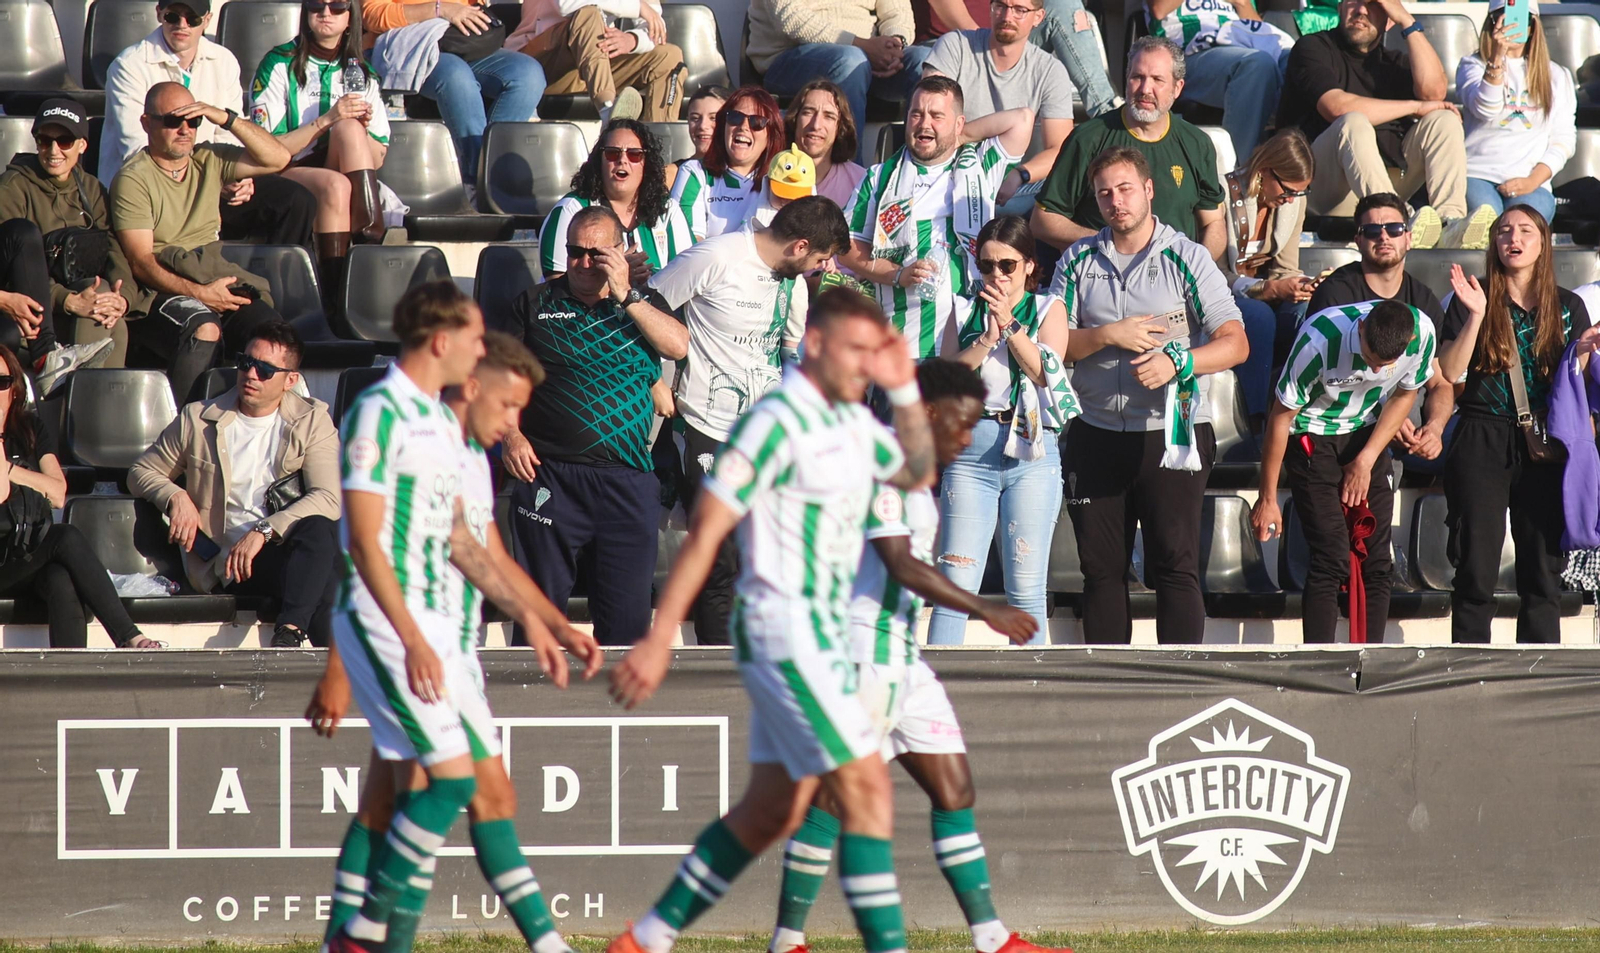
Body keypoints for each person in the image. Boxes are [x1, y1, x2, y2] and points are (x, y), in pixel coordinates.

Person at [605, 286, 936, 953]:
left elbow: (921, 474)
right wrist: (662, 635)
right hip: (783, 632)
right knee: (867, 789)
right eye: (854, 350)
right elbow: (707, 530)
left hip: (823, 638)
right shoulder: (776, 422)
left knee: (768, 813)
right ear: (813, 345)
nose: (864, 364)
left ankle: (645, 938)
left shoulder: (859, 428)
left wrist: (904, 389)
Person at [307, 330, 601, 953]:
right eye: (508, 405)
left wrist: (550, 623)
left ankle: (358, 939)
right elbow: (362, 554)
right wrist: (338, 667)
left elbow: (485, 554)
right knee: (445, 791)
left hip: (452, 646)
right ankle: (370, 936)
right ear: (472, 384)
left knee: (410, 798)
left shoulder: (467, 456)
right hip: (414, 643)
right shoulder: (414, 439)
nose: (515, 423)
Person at [764, 359, 1060, 953]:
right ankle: (787, 939)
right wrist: (986, 608)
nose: (967, 437)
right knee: (832, 799)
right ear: (926, 411)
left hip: (903, 658)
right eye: (961, 422)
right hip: (864, 656)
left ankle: (991, 938)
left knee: (954, 789)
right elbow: (900, 564)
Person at [1050, 146, 1247, 644]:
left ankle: (1178, 684)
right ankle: (1112, 685)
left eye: (1125, 189)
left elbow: (1235, 343)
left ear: (1149, 190)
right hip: (1095, 433)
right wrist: (1106, 336)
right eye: (1104, 194)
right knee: (1100, 572)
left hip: (1171, 434)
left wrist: (1178, 362)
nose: (1116, 202)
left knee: (1174, 567)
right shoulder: (1077, 260)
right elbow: (1054, 347)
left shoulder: (1188, 256)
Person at [649, 196, 847, 644]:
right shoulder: (716, 256)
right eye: (820, 258)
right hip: (706, 429)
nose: (823, 268)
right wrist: (654, 381)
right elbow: (643, 311)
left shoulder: (793, 283)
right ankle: (720, 673)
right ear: (799, 246)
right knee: (720, 564)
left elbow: (789, 352)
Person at [503, 205, 686, 645]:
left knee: (626, 629)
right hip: (550, 474)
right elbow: (498, 381)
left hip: (626, 481)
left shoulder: (643, 302)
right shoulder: (534, 303)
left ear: (620, 253)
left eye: (597, 254)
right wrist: (510, 435)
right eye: (575, 252)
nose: (584, 263)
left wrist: (626, 295)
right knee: (538, 623)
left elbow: (677, 346)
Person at [128, 321, 342, 649]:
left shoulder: (311, 420)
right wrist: (175, 496)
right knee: (328, 577)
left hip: (285, 552)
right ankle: (308, 648)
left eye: (265, 370)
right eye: (245, 363)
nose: (251, 374)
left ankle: (291, 634)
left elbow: (328, 497)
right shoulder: (198, 418)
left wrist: (264, 531)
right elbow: (141, 471)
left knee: (319, 532)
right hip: (227, 564)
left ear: (290, 380)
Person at [1438, 207, 1596, 643]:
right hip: (1481, 433)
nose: (1514, 238)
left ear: (1543, 243)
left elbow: (1576, 386)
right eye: (1504, 231)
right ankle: (1469, 668)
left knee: (1542, 574)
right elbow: (1450, 370)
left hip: (1545, 439)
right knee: (1475, 568)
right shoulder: (1471, 296)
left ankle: (1538, 671)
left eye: (1526, 230)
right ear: (1494, 243)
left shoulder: (1568, 305)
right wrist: (1475, 316)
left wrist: (1583, 352)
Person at [1250, 299, 1443, 643]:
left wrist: (1366, 460)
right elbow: (1280, 417)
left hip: (1367, 430)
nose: (1374, 370)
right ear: (1363, 327)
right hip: (1312, 432)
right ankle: (1321, 660)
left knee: (1377, 561)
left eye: (1384, 365)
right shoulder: (1319, 340)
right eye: (1369, 358)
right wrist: (1267, 499)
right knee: (1331, 557)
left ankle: (1370, 658)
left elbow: (1404, 395)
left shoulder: (1423, 332)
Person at [927, 215, 1069, 645]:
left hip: (1033, 449)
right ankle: (941, 681)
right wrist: (986, 340)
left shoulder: (1048, 308)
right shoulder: (961, 308)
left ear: (1029, 265)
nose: (997, 275)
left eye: (1007, 265)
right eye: (987, 265)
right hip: (973, 450)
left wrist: (1009, 326)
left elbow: (1045, 373)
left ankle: (1031, 682)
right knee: (955, 586)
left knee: (1026, 589)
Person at [111, 82, 291, 403]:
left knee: (271, 339)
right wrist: (201, 294)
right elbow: (141, 262)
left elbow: (278, 158)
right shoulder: (133, 178)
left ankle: (261, 421)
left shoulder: (209, 157)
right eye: (173, 121)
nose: (185, 130)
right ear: (146, 123)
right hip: (159, 290)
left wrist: (224, 118)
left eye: (193, 120)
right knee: (204, 329)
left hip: (211, 273)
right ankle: (184, 425)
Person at [842, 76, 1036, 360]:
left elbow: (1023, 119)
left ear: (958, 123)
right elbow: (847, 247)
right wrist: (897, 274)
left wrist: (961, 137)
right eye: (916, 114)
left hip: (973, 343)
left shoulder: (981, 165)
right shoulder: (879, 177)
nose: (924, 124)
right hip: (900, 347)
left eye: (936, 116)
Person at [1276, 0, 1493, 250]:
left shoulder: (1393, 62)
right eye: (1353, 1)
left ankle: (1450, 222)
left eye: (1374, 4)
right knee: (1353, 122)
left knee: (1445, 119)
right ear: (1340, 7)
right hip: (1317, 185)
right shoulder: (1313, 47)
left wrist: (1407, 21)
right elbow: (1336, 107)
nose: (1361, 10)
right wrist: (1414, 107)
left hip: (1380, 183)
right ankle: (1397, 219)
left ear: (1389, 17)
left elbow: (1434, 93)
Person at [101, 0, 317, 248]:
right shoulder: (129, 65)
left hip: (208, 178)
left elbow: (228, 140)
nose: (182, 25)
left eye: (192, 18)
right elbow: (137, 148)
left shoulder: (224, 60)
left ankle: (279, 273)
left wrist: (238, 178)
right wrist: (210, 180)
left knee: (296, 201)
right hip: (151, 186)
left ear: (206, 20)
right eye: (173, 16)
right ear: (159, 14)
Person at [0, 345, 158, 649]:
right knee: (65, 536)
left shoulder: (30, 429)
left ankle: (69, 671)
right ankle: (129, 636)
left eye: (1, 382)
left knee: (61, 579)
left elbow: (57, 494)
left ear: (15, 389)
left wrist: (8, 468)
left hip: (25, 556)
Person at [1031, 37, 1226, 262]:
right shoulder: (1088, 139)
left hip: (1176, 276)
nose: (1145, 89)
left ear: (1177, 87)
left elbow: (1213, 222)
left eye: (1157, 79)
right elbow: (1042, 220)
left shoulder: (1196, 143)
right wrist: (1109, 244)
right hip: (1105, 273)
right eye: (1137, 77)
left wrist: (1196, 269)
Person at [249, 0, 392, 279]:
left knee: (350, 129)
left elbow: (378, 157)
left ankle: (368, 243)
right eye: (316, 5)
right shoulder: (278, 63)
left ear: (350, 16)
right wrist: (327, 119)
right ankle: (337, 282)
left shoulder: (363, 73)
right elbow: (266, 150)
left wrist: (360, 133)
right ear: (306, 13)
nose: (326, 12)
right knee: (335, 183)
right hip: (285, 169)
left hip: (341, 168)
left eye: (337, 5)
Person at [0, 100, 132, 386]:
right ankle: (75, 403)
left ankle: (101, 405)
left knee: (109, 314)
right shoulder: (13, 187)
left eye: (64, 141)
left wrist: (122, 298)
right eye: (44, 140)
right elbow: (17, 271)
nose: (53, 150)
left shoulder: (91, 189)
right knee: (95, 306)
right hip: (33, 309)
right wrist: (67, 300)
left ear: (82, 145)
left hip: (80, 296)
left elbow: (114, 249)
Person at [363, 0, 546, 181]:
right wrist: (440, 9)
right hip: (409, 44)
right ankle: (478, 178)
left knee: (528, 75)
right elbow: (372, 14)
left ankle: (494, 167)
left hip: (461, 39)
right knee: (457, 76)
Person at [923, 1, 1076, 211]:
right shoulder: (954, 45)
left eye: (1020, 10)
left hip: (1010, 189)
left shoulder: (1050, 71)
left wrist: (1020, 174)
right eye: (1000, 6)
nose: (1007, 16)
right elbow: (929, 118)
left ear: (1038, 17)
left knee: (1073, 189)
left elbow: (1059, 150)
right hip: (946, 179)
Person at [1458, 0, 1575, 225]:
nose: (1511, 24)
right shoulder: (1472, 65)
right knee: (1488, 221)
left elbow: (1564, 139)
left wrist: (1533, 180)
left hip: (1529, 178)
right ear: (1492, 23)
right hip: (1476, 173)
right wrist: (1496, 59)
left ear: (1533, 27)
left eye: (1522, 18)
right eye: (1502, 17)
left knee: (1525, 223)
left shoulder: (1557, 75)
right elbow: (1485, 109)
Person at [747, 0, 933, 141]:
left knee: (925, 61)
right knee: (851, 60)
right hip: (789, 57)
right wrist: (861, 45)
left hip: (867, 54)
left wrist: (894, 44)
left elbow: (898, 11)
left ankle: (918, 171)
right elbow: (791, 17)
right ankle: (848, 172)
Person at [1224, 128, 1314, 417]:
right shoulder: (1223, 194)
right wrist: (1268, 289)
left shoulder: (1293, 203)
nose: (1291, 199)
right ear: (1264, 170)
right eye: (1287, 191)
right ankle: (1255, 419)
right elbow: (1213, 272)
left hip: (1264, 291)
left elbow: (1285, 268)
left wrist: (1302, 285)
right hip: (1223, 292)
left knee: (1309, 309)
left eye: (1299, 193)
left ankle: (1296, 412)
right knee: (1259, 316)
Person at [912, 0, 1119, 120]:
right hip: (953, 43)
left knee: (1063, 4)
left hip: (1008, 35)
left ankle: (1108, 114)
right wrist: (985, 40)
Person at [538, 119, 693, 279]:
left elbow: (689, 278)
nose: (622, 160)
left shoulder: (667, 209)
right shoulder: (570, 209)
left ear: (647, 163)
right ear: (599, 161)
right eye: (612, 153)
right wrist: (617, 276)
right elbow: (554, 283)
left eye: (634, 154)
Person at [1145, 0, 1294, 160]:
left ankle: (1294, 166)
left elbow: (1256, 28)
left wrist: (1241, 3)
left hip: (1238, 46)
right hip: (1187, 53)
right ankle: (1238, 170)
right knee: (1257, 64)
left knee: (1297, 59)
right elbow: (1158, 9)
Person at [505, 0, 687, 121]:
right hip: (539, 65)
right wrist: (638, 6)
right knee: (589, 14)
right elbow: (567, 4)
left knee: (669, 57)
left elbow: (656, 25)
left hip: (591, 66)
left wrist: (633, 40)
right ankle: (608, 112)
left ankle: (660, 152)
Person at [671, 86, 786, 241]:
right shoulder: (695, 172)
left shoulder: (786, 180)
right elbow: (687, 244)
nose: (743, 127)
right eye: (735, 117)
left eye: (757, 121)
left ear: (771, 135)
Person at [785, 80, 868, 209]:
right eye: (808, 112)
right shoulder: (771, 174)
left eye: (829, 116)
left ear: (840, 128)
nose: (816, 125)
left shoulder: (861, 183)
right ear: (795, 120)